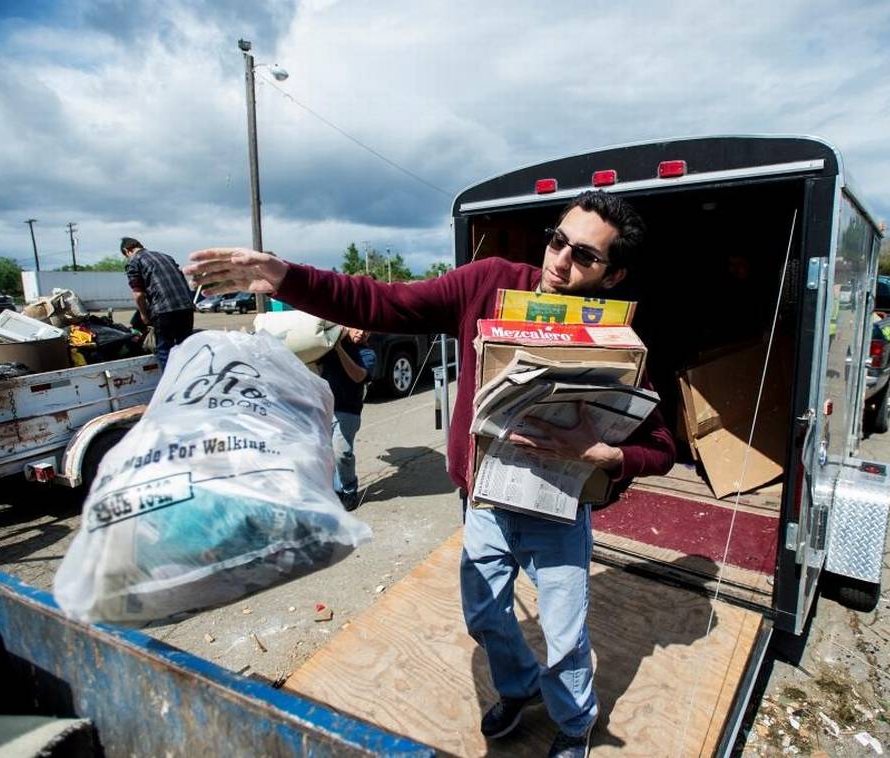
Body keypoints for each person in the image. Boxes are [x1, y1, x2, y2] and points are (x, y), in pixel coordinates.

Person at [185, 191, 675, 758]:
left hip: (557, 512)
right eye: (557, 239)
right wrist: (285, 275)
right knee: (486, 614)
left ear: (611, 275)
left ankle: (573, 724)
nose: (560, 261)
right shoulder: (488, 284)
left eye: (584, 256)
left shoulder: (617, 335)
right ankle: (519, 688)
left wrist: (605, 455)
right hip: (485, 503)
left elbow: (659, 444)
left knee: (565, 641)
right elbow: (384, 303)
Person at [318, 327, 376, 511]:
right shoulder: (331, 344)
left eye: (366, 331)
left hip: (348, 411)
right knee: (327, 454)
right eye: (357, 329)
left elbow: (358, 376)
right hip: (326, 409)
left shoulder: (368, 353)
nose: (361, 333)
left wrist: (339, 350)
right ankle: (336, 490)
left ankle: (350, 490)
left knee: (342, 454)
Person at [120, 237, 195, 369]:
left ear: (127, 251)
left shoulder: (134, 261)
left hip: (164, 310)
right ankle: (189, 381)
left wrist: (144, 315)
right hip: (186, 307)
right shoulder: (166, 257)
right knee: (186, 348)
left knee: (164, 349)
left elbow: (139, 294)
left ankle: (171, 384)